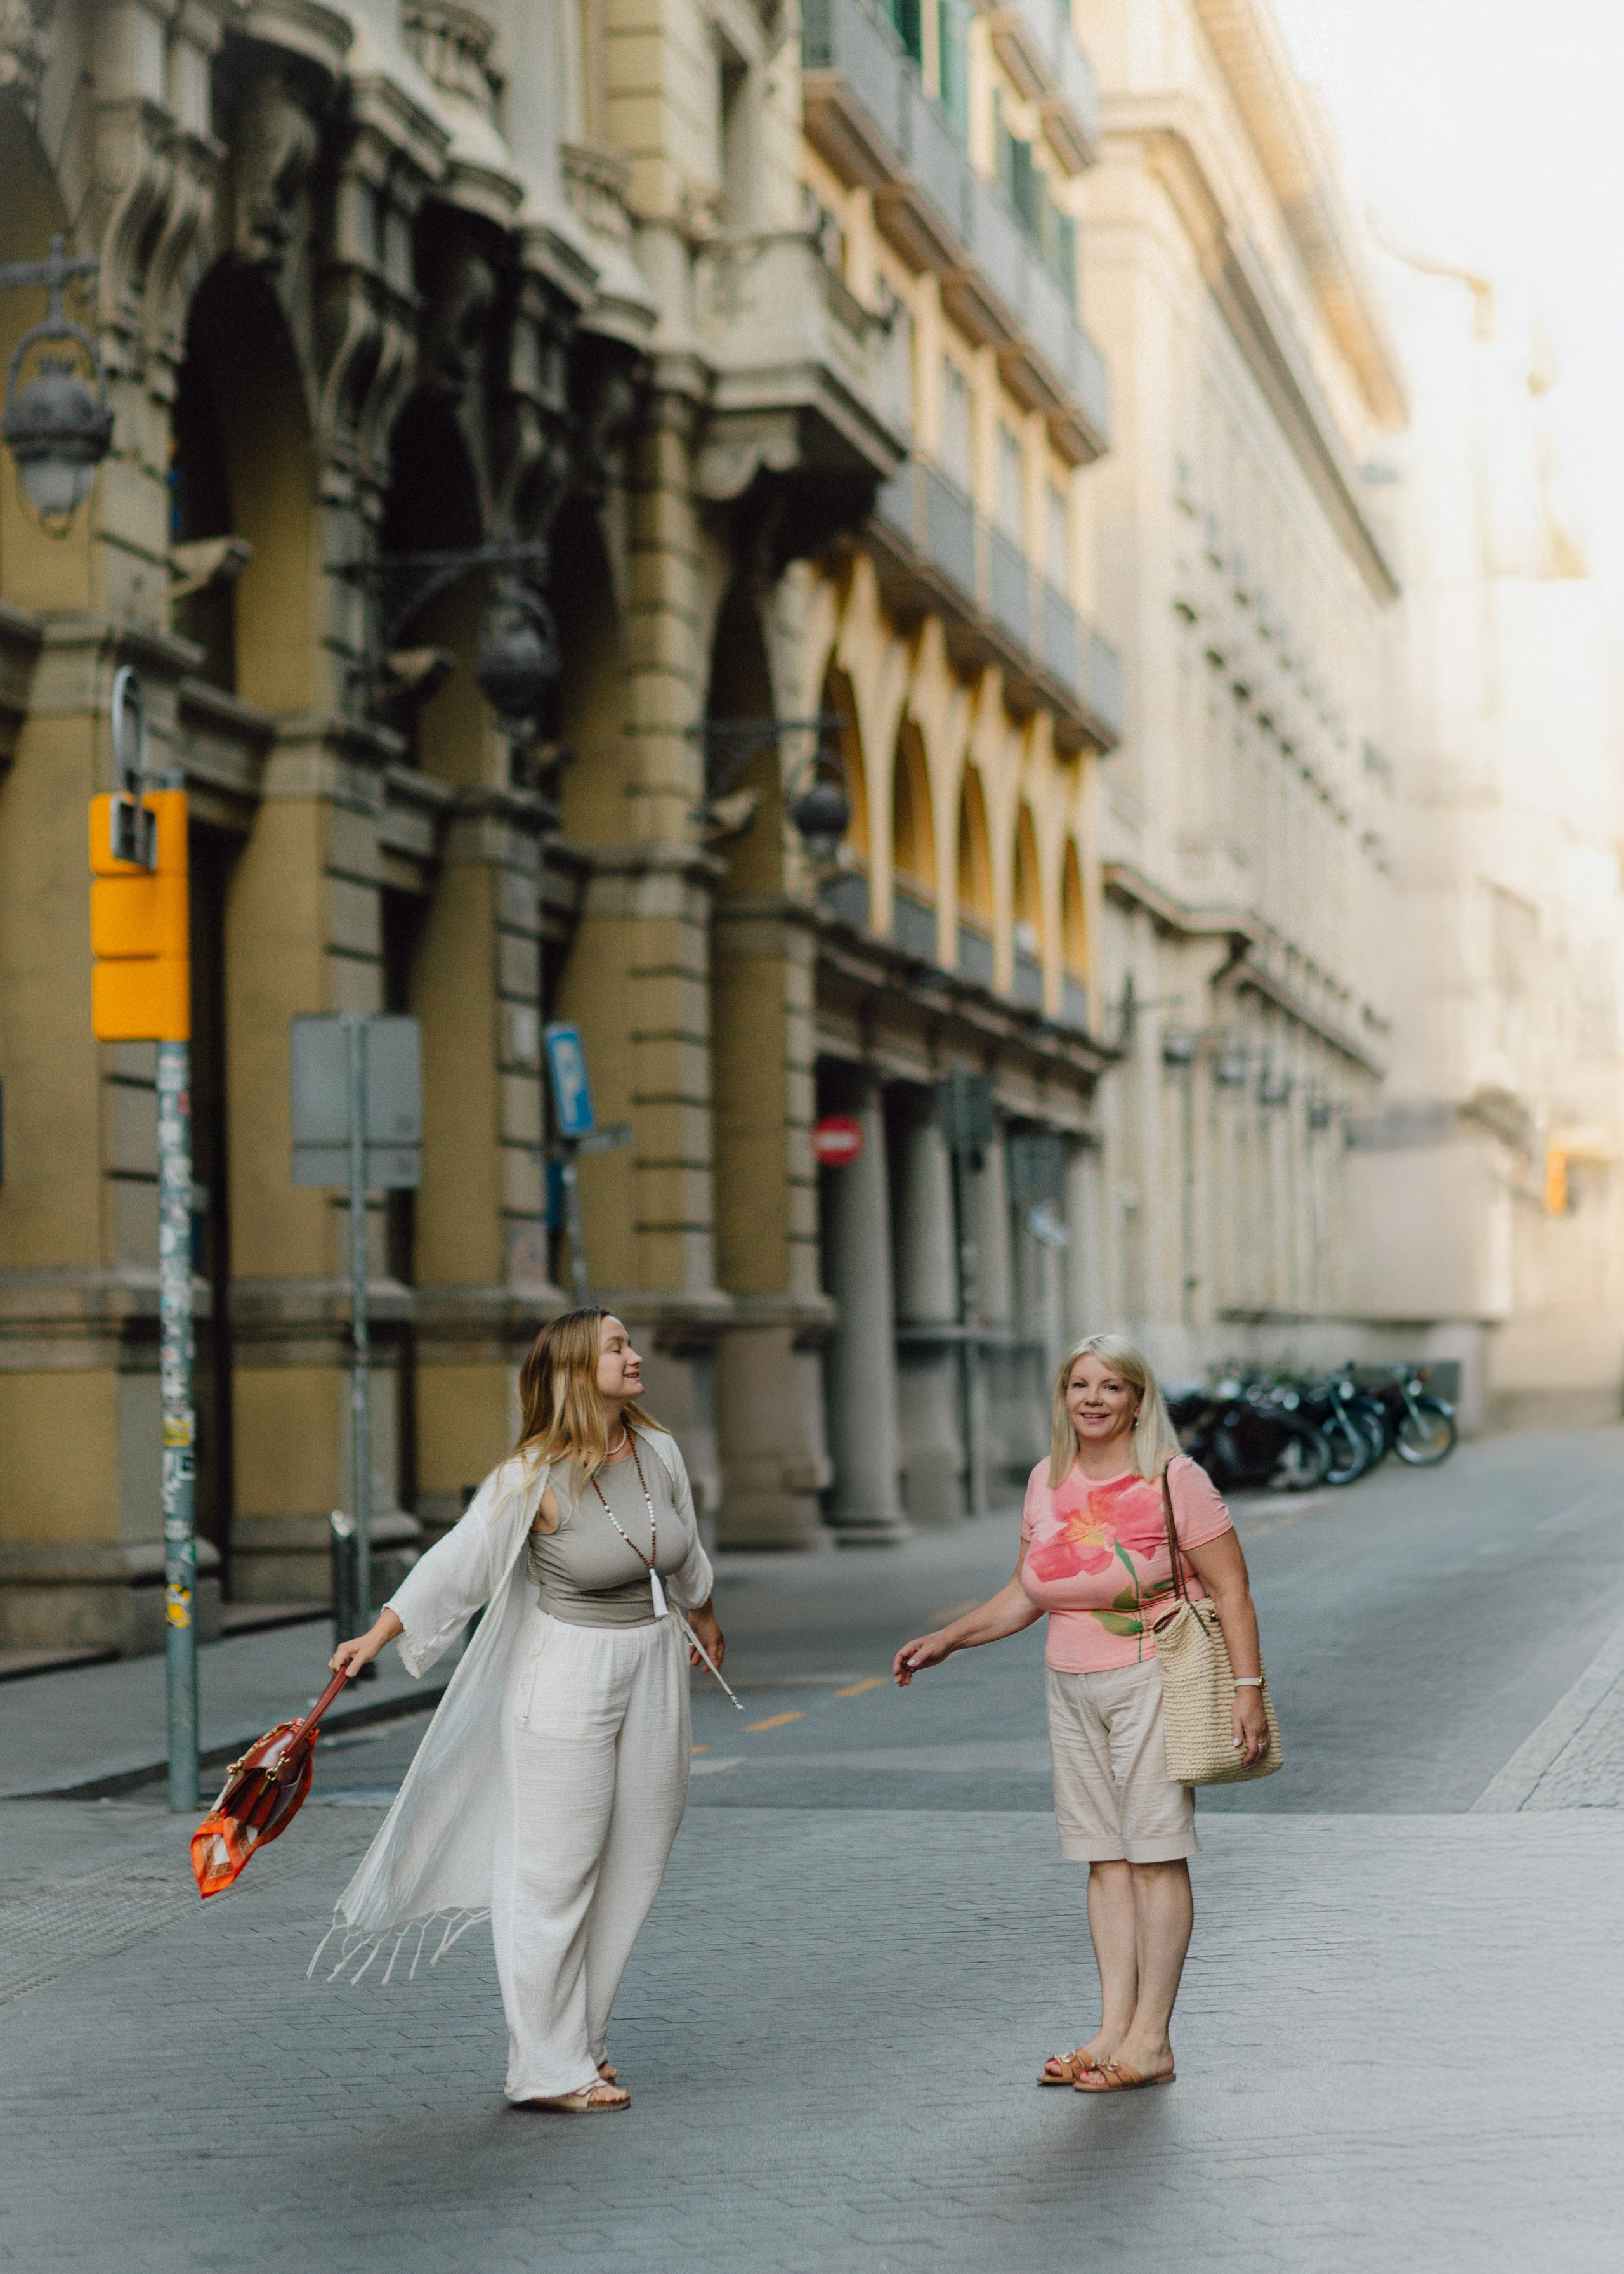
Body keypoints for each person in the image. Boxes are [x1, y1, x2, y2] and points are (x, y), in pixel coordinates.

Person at [322, 1309, 724, 2114]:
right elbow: (459, 1562)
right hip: (566, 1672)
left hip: (652, 1663)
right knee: (554, 1872)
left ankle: (583, 2041)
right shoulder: (532, 1475)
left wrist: (704, 1610)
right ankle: (544, 2068)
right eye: (618, 1348)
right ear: (578, 1371)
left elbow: (682, 1546)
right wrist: (379, 1632)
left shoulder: (658, 1451)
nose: (636, 1356)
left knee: (638, 1857)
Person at [893, 1333, 1268, 2094]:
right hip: (1069, 1687)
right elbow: (1031, 1589)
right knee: (1104, 1858)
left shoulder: (1173, 1478)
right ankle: (1111, 2029)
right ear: (1063, 1398)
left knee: (1156, 1853)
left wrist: (1248, 1688)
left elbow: (1231, 1589)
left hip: (1151, 1678)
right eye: (1079, 1386)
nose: (1093, 1399)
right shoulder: (1048, 1480)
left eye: (1111, 1387)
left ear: (1137, 1401)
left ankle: (1151, 2040)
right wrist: (950, 1639)